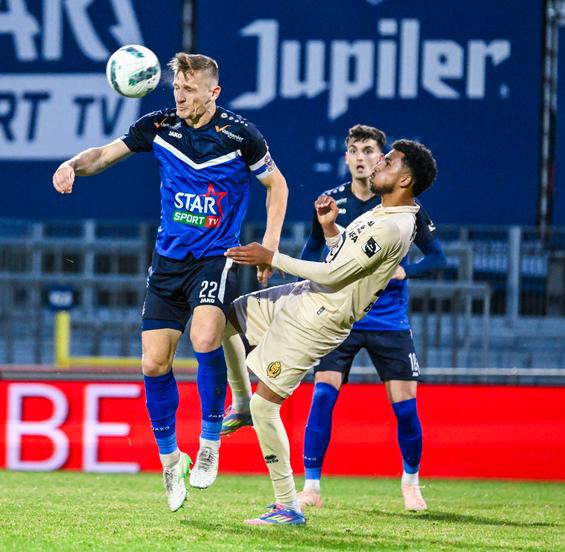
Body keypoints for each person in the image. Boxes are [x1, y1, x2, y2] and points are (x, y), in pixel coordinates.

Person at [52, 52, 288, 512]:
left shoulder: (241, 136)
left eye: (190, 88)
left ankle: (209, 442)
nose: (180, 95)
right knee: (153, 364)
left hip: (213, 258)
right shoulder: (158, 127)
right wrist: (70, 165)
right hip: (167, 263)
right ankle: (168, 459)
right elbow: (101, 155)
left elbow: (276, 186)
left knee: (205, 337)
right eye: (176, 87)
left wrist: (270, 245)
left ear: (213, 92)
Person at [223, 125, 446, 512]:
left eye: (387, 160)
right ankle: (240, 402)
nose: (377, 162)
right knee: (222, 320)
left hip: (320, 320)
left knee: (267, 407)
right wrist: (330, 229)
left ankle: (287, 507)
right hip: (306, 299)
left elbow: (334, 274)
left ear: (405, 179)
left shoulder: (393, 224)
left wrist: (270, 257)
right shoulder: (385, 210)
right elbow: (343, 255)